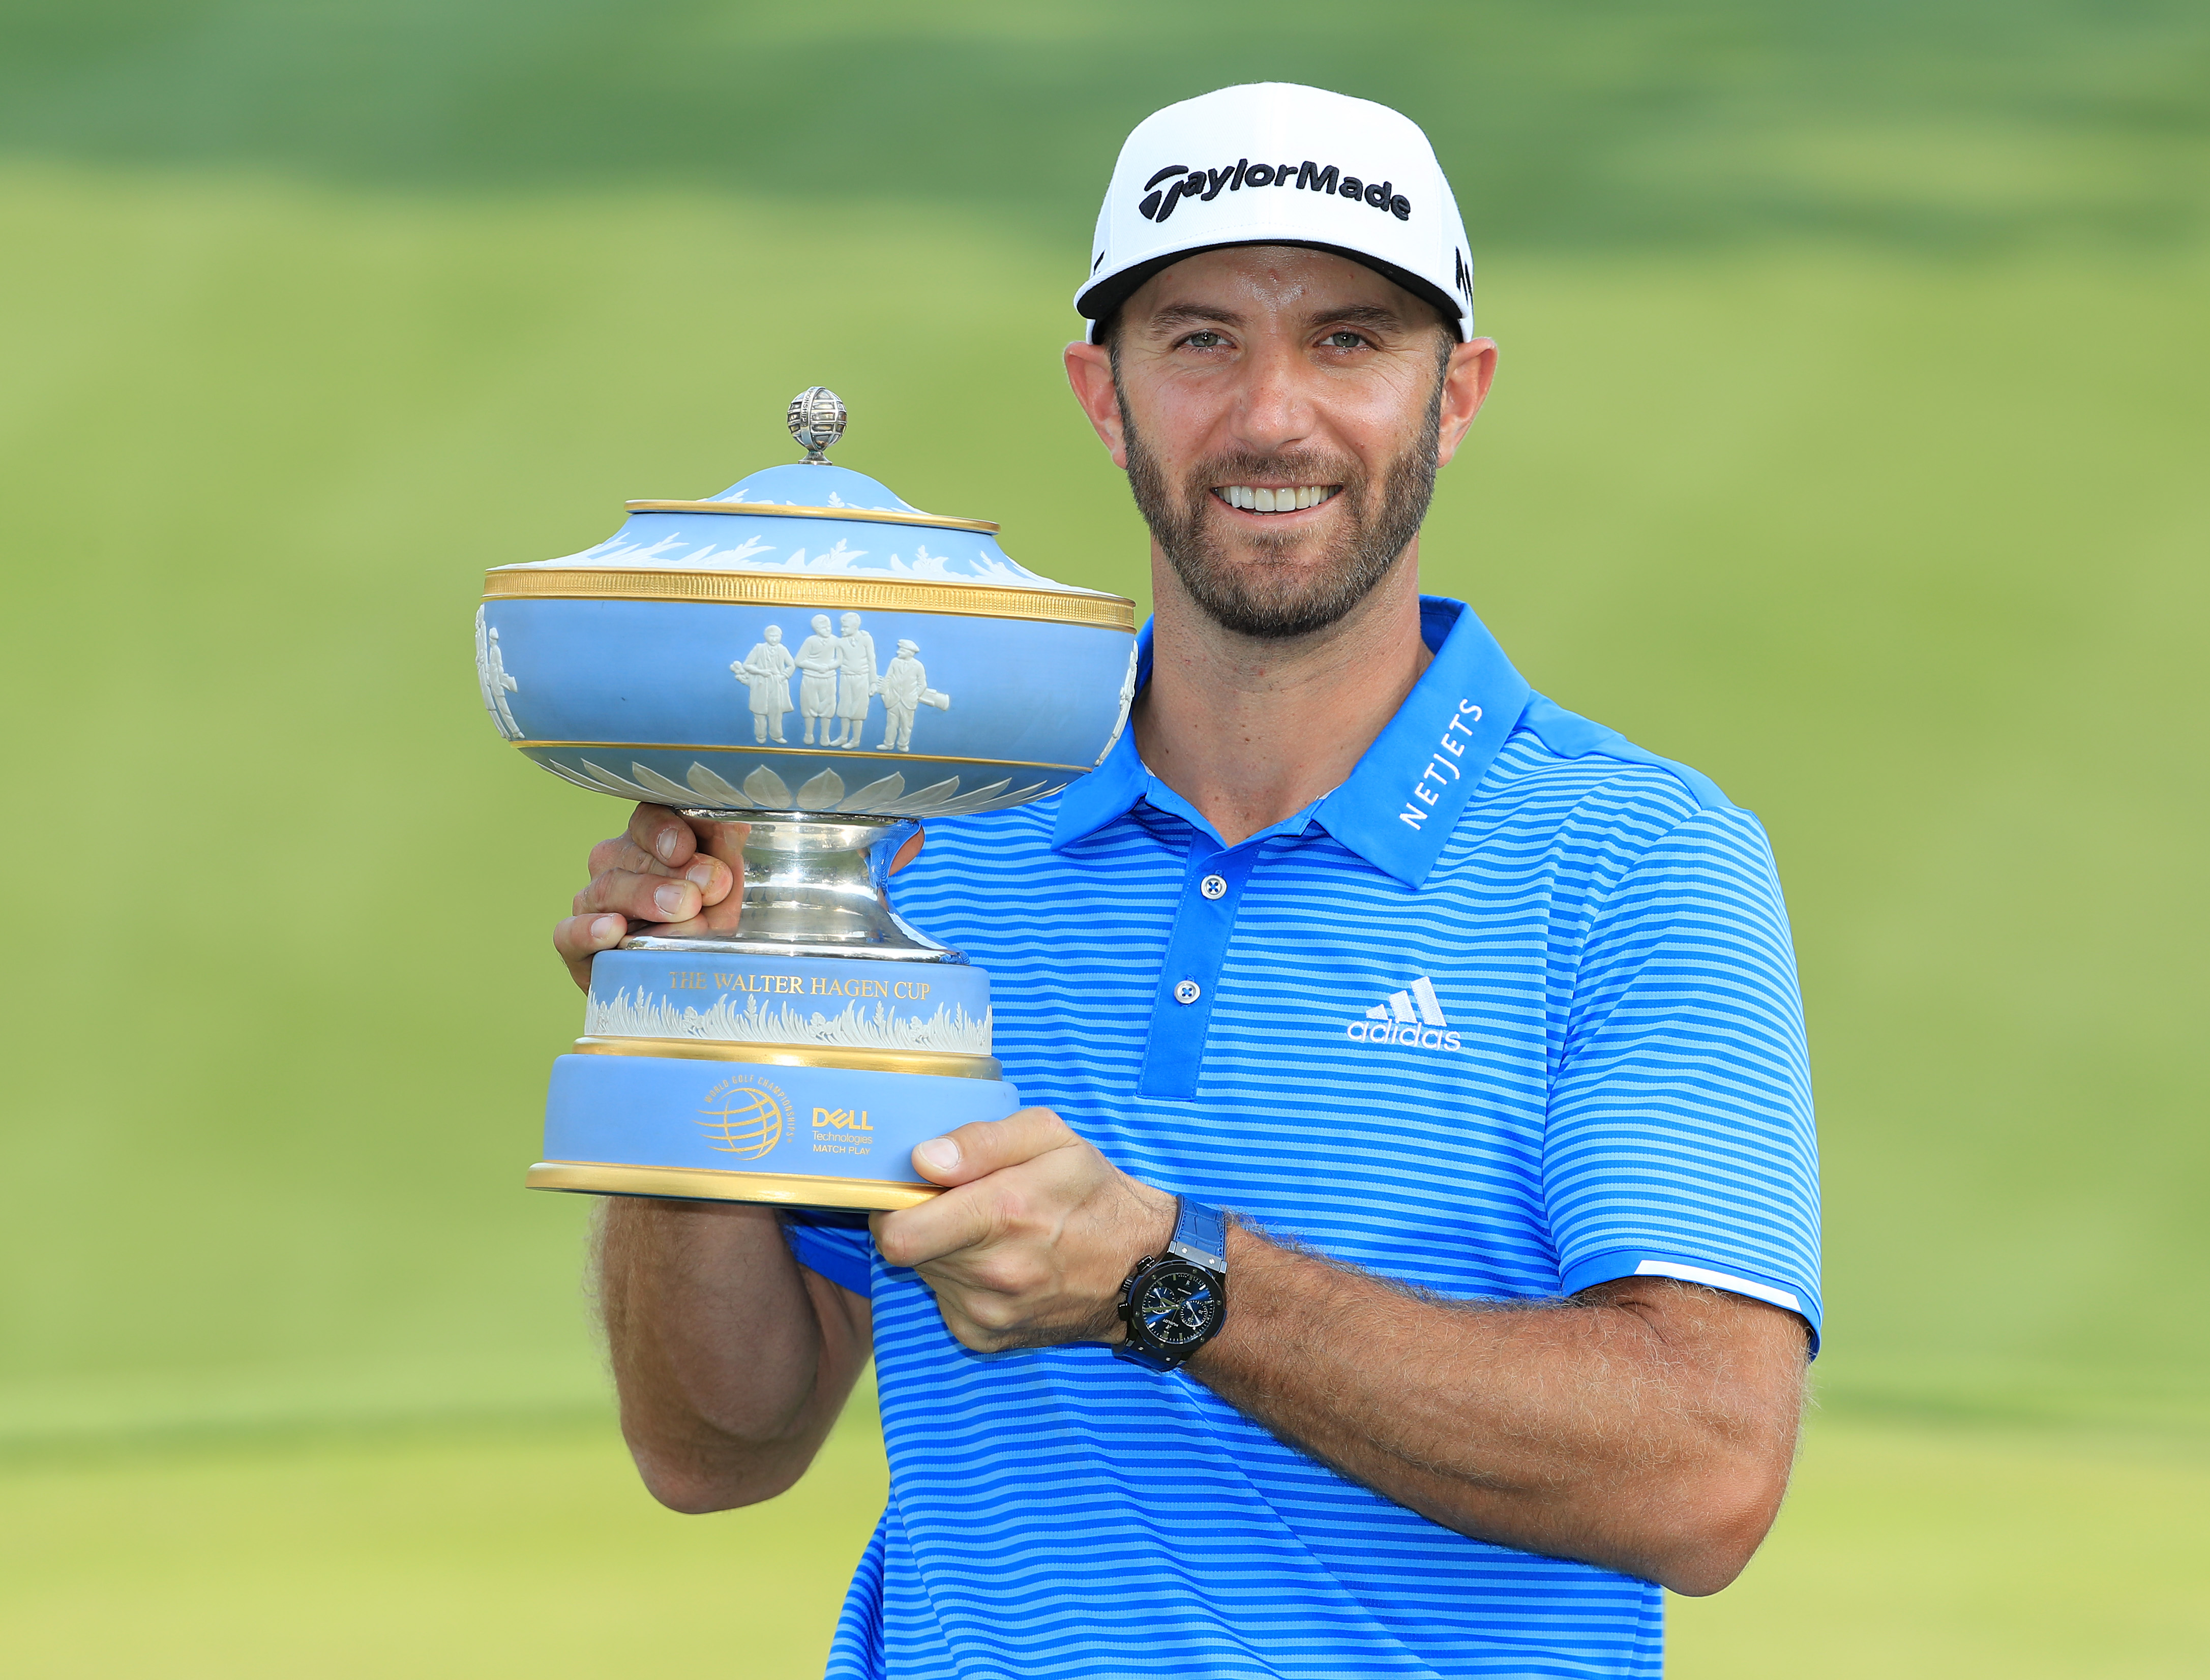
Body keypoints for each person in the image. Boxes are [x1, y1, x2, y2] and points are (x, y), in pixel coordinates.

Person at [557, 81, 1818, 1680]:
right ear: (1104, 393)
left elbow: (1703, 1470)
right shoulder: (929, 835)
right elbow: (717, 1445)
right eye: (1200, 338)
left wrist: (1168, 1278)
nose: (1272, 415)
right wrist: (684, 1049)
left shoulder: (1636, 860)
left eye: (1350, 340)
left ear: (1457, 393)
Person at [729, 623, 795, 744]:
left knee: (776, 711)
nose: (774, 639)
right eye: (771, 636)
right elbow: (747, 665)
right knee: (759, 712)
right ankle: (760, 736)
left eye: (777, 636)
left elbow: (792, 665)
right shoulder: (759, 648)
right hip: (761, 683)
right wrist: (761, 672)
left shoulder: (783, 649)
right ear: (766, 637)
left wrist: (784, 676)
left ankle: (776, 735)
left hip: (777, 683)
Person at [875, 637, 943, 752]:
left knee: (906, 726)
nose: (898, 652)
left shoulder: (918, 666)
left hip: (908, 701)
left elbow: (923, 684)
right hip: (893, 699)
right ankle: (888, 744)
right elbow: (888, 678)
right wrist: (884, 692)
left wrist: (915, 697)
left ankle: (903, 745)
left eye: (901, 650)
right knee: (891, 724)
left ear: (909, 652)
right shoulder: (894, 662)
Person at [794, 614, 844, 746]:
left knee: (828, 707)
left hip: (829, 679)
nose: (827, 629)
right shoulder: (810, 641)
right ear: (816, 629)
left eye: (829, 626)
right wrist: (817, 667)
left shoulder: (836, 641)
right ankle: (809, 734)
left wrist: (828, 667)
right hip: (811, 678)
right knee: (809, 706)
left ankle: (825, 736)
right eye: (823, 627)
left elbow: (840, 660)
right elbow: (799, 661)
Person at [832, 611, 877, 748]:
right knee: (844, 707)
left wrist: (873, 682)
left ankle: (856, 740)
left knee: (859, 710)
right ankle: (843, 737)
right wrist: (822, 667)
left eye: (845, 627)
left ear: (855, 627)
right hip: (846, 677)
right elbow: (839, 661)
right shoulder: (840, 642)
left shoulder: (866, 639)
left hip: (862, 678)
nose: (841, 629)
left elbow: (872, 660)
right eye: (842, 626)